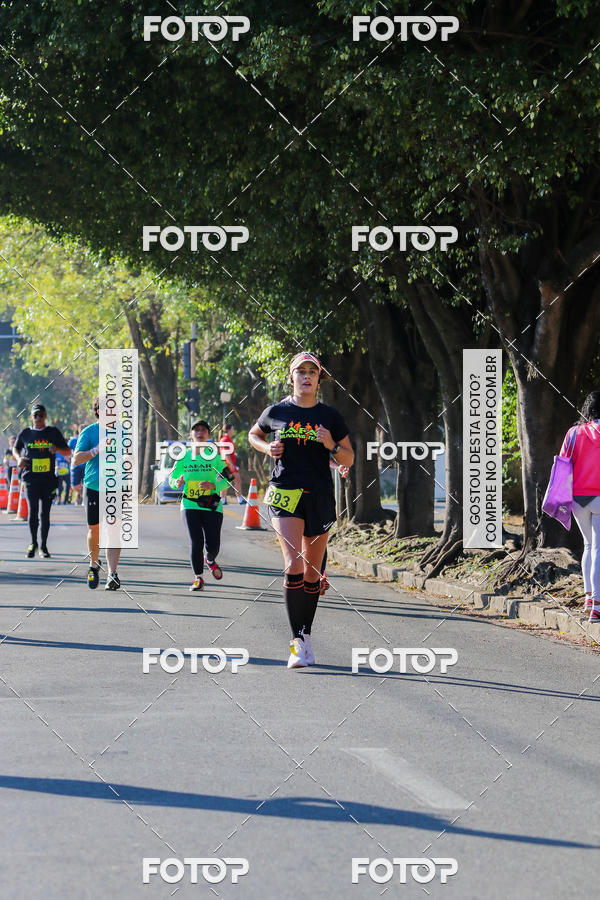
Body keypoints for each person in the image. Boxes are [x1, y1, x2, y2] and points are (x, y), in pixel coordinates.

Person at [249, 351, 354, 668]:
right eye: (300, 371)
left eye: (312, 372)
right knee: (293, 563)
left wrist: (331, 446)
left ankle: (306, 635)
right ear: (291, 377)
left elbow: (348, 458)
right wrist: (269, 447)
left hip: (320, 495)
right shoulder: (276, 411)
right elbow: (254, 434)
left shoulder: (330, 416)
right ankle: (296, 642)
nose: (306, 376)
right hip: (285, 492)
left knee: (311, 572)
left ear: (319, 379)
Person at [169, 420, 232, 591]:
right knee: (196, 542)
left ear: (208, 435)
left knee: (213, 545)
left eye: (203, 430)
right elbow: (172, 479)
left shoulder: (215, 456)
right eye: (196, 430)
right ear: (191, 434)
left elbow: (229, 478)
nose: (199, 432)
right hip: (189, 504)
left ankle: (210, 560)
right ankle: (198, 578)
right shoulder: (183, 456)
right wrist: (177, 482)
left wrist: (215, 486)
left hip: (212, 505)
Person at [72, 398, 122, 590]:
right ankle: (94, 565)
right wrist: (96, 449)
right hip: (93, 486)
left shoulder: (123, 431)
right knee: (95, 529)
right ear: (99, 412)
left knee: (114, 529)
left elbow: (130, 455)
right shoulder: (89, 432)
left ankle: (112, 573)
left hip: (115, 487)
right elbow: (76, 459)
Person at [559, 392, 600, 622]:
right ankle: (597, 606)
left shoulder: (574, 433)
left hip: (577, 498)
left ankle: (588, 598)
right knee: (598, 549)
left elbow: (564, 462)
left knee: (589, 545)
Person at [12, 403, 71, 558]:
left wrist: (56, 449)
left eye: (41, 415)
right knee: (33, 512)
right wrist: (19, 458)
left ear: (45, 416)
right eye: (35, 415)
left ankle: (43, 546)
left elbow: (67, 450)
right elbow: (15, 448)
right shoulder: (25, 433)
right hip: (30, 478)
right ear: (31, 417)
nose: (38, 418)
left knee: (45, 514)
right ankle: (33, 543)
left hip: (48, 480)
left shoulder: (53, 432)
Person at [218, 423, 244, 504]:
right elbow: (225, 453)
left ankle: (222, 501)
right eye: (232, 429)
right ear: (228, 430)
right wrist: (231, 464)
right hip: (228, 465)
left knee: (226, 482)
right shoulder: (225, 439)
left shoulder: (226, 439)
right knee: (237, 480)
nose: (233, 431)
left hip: (226, 464)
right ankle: (240, 499)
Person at [69, 424, 85, 505]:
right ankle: (81, 493)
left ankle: (84, 497)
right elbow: (67, 451)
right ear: (79, 431)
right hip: (75, 465)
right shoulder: (73, 441)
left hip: (86, 466)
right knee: (74, 486)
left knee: (86, 485)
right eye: (81, 430)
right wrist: (70, 457)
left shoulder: (89, 439)